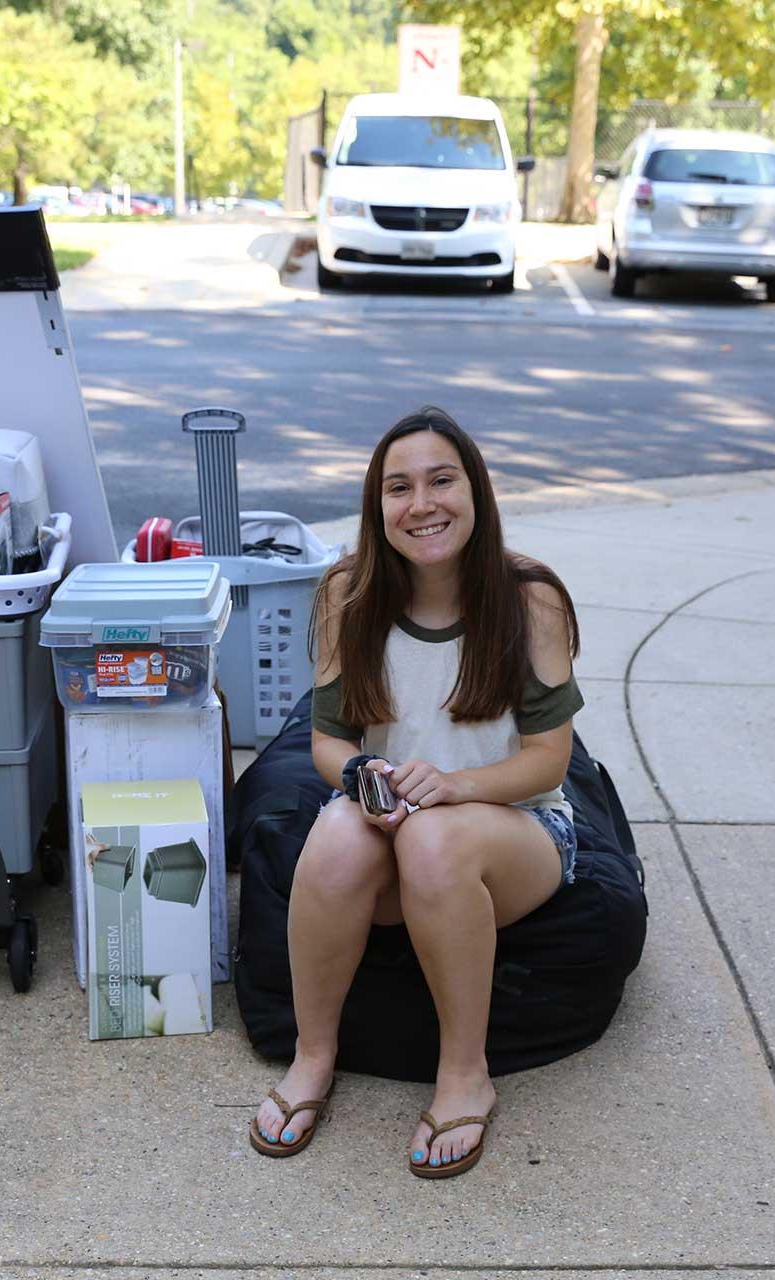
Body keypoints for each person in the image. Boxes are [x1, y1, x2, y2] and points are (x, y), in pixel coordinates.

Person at [248, 405, 583, 1180]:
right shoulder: (345, 593)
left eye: (442, 480)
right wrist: (364, 779)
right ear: (378, 508)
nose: (422, 504)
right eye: (398, 488)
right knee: (334, 835)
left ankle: (465, 1074)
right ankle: (312, 1057)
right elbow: (328, 742)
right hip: (396, 824)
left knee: (437, 837)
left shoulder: (530, 597)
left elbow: (549, 763)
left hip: (518, 832)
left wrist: (457, 787)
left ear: (476, 492)